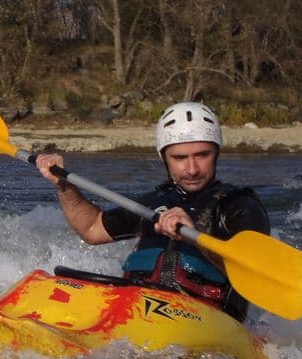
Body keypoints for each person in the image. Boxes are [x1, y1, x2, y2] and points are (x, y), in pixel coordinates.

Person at [36, 102, 270, 322]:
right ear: (164, 158)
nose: (192, 169)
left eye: (202, 155)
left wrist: (196, 237)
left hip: (208, 318)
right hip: (139, 310)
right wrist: (63, 185)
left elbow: (257, 274)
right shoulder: (153, 203)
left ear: (216, 153)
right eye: (179, 158)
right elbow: (92, 228)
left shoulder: (240, 206)